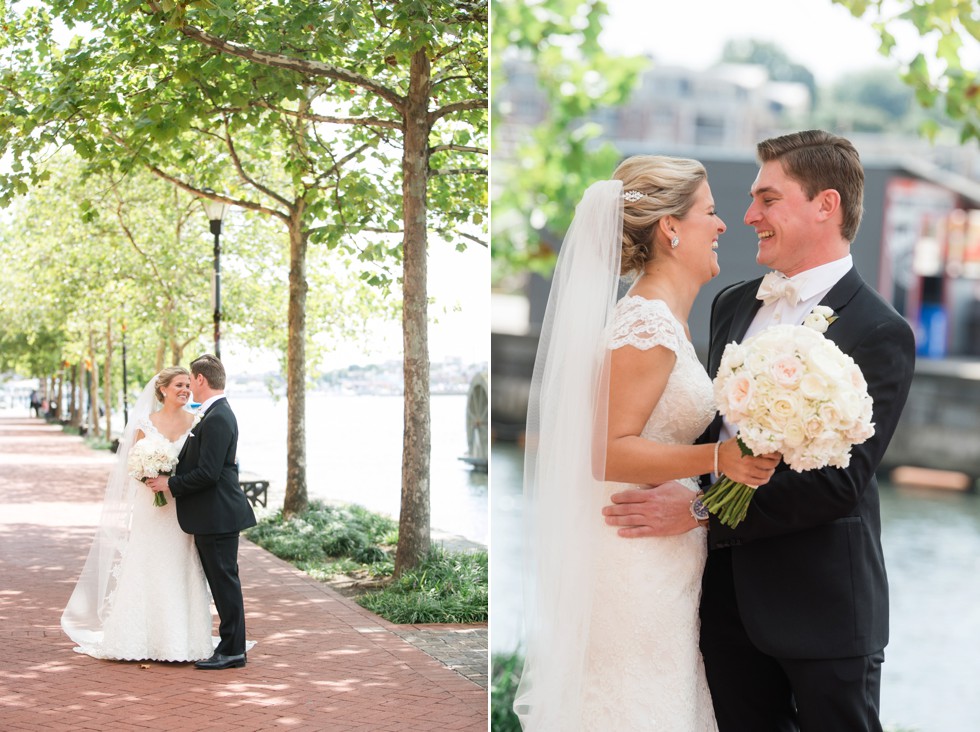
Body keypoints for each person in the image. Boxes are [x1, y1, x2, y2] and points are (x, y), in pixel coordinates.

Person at [602, 130, 917, 731]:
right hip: (721, 606)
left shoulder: (881, 330)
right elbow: (707, 433)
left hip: (822, 606)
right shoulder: (732, 303)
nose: (748, 216)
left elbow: (837, 485)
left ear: (825, 205)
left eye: (767, 199)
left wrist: (697, 511)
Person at [513, 155, 779, 730]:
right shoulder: (645, 327)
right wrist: (718, 460)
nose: (723, 225)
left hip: (664, 551)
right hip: (633, 557)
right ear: (671, 228)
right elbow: (608, 450)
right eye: (710, 212)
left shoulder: (666, 323)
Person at [62, 366, 214, 662]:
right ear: (163, 389)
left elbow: (200, 467)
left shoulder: (198, 421)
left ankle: (183, 640)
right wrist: (149, 476)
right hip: (151, 508)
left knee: (181, 565)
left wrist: (173, 483)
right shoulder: (146, 422)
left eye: (188, 385)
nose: (185, 390)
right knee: (147, 563)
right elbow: (132, 464)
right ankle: (140, 639)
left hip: (181, 508)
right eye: (179, 385)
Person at [147, 354, 256, 670]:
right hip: (212, 514)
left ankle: (233, 649)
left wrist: (171, 483)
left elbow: (208, 473)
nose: (189, 385)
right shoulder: (212, 414)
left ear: (200, 380)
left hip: (218, 514)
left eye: (190, 380)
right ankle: (229, 644)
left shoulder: (219, 417)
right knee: (222, 581)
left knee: (224, 582)